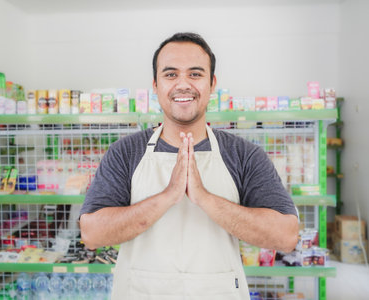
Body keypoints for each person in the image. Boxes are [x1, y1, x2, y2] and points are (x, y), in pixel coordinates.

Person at [80, 32, 299, 300]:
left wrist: (204, 198)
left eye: (195, 74)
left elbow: (286, 236)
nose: (183, 84)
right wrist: (167, 196)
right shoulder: (125, 153)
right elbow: (91, 233)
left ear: (211, 83)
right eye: (170, 74)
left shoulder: (244, 155)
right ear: (156, 84)